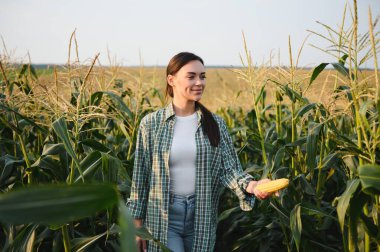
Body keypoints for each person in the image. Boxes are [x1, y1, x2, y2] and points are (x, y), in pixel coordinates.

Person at [127, 52, 274, 252]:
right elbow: (140, 177)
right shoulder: (151, 124)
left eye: (202, 76)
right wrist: (137, 226)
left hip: (202, 216)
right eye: (191, 76)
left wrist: (253, 185)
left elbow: (229, 169)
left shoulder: (215, 124)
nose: (199, 82)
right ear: (171, 80)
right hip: (163, 217)